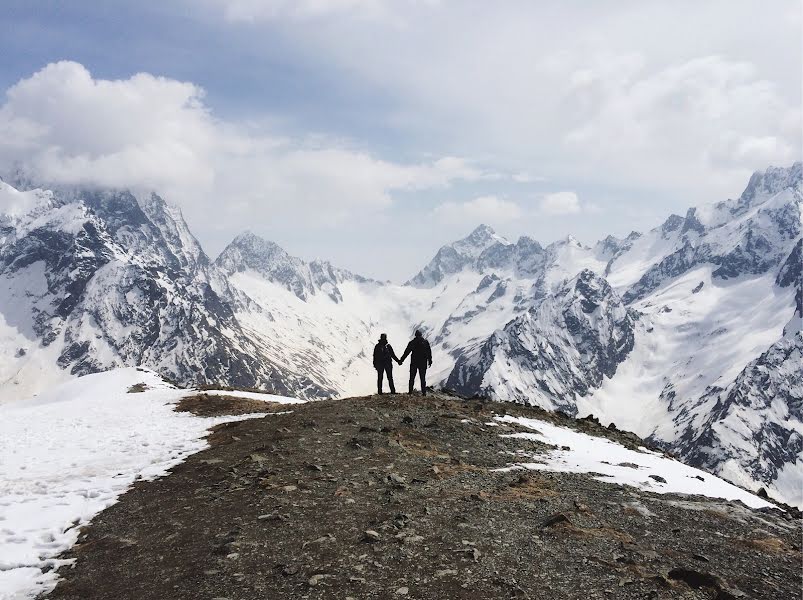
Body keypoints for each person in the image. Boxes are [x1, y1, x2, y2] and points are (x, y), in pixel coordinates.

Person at [398, 330, 433, 396]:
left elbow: (406, 352)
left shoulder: (412, 342)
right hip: (423, 363)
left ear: (415, 335)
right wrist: (430, 361)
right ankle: (424, 392)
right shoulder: (425, 342)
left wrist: (401, 360)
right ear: (421, 335)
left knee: (412, 377)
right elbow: (429, 352)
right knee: (422, 378)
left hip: (414, 362)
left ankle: (410, 391)